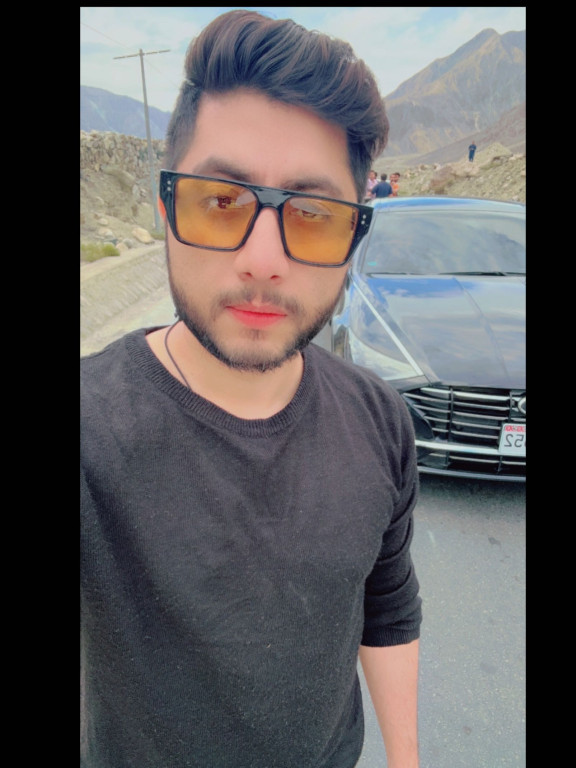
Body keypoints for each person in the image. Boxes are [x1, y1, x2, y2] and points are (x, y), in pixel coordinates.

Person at [81, 9, 422, 768]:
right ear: (166, 210)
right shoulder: (91, 430)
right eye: (221, 201)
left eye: (313, 215)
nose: (263, 259)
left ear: (354, 236)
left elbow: (387, 605)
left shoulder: (379, 420)